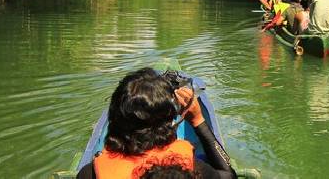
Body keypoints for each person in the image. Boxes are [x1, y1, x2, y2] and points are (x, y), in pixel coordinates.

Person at [76, 68, 234, 179]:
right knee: (201, 156)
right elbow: (229, 175)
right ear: (167, 123)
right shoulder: (189, 168)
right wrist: (198, 120)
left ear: (114, 119)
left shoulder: (89, 174)